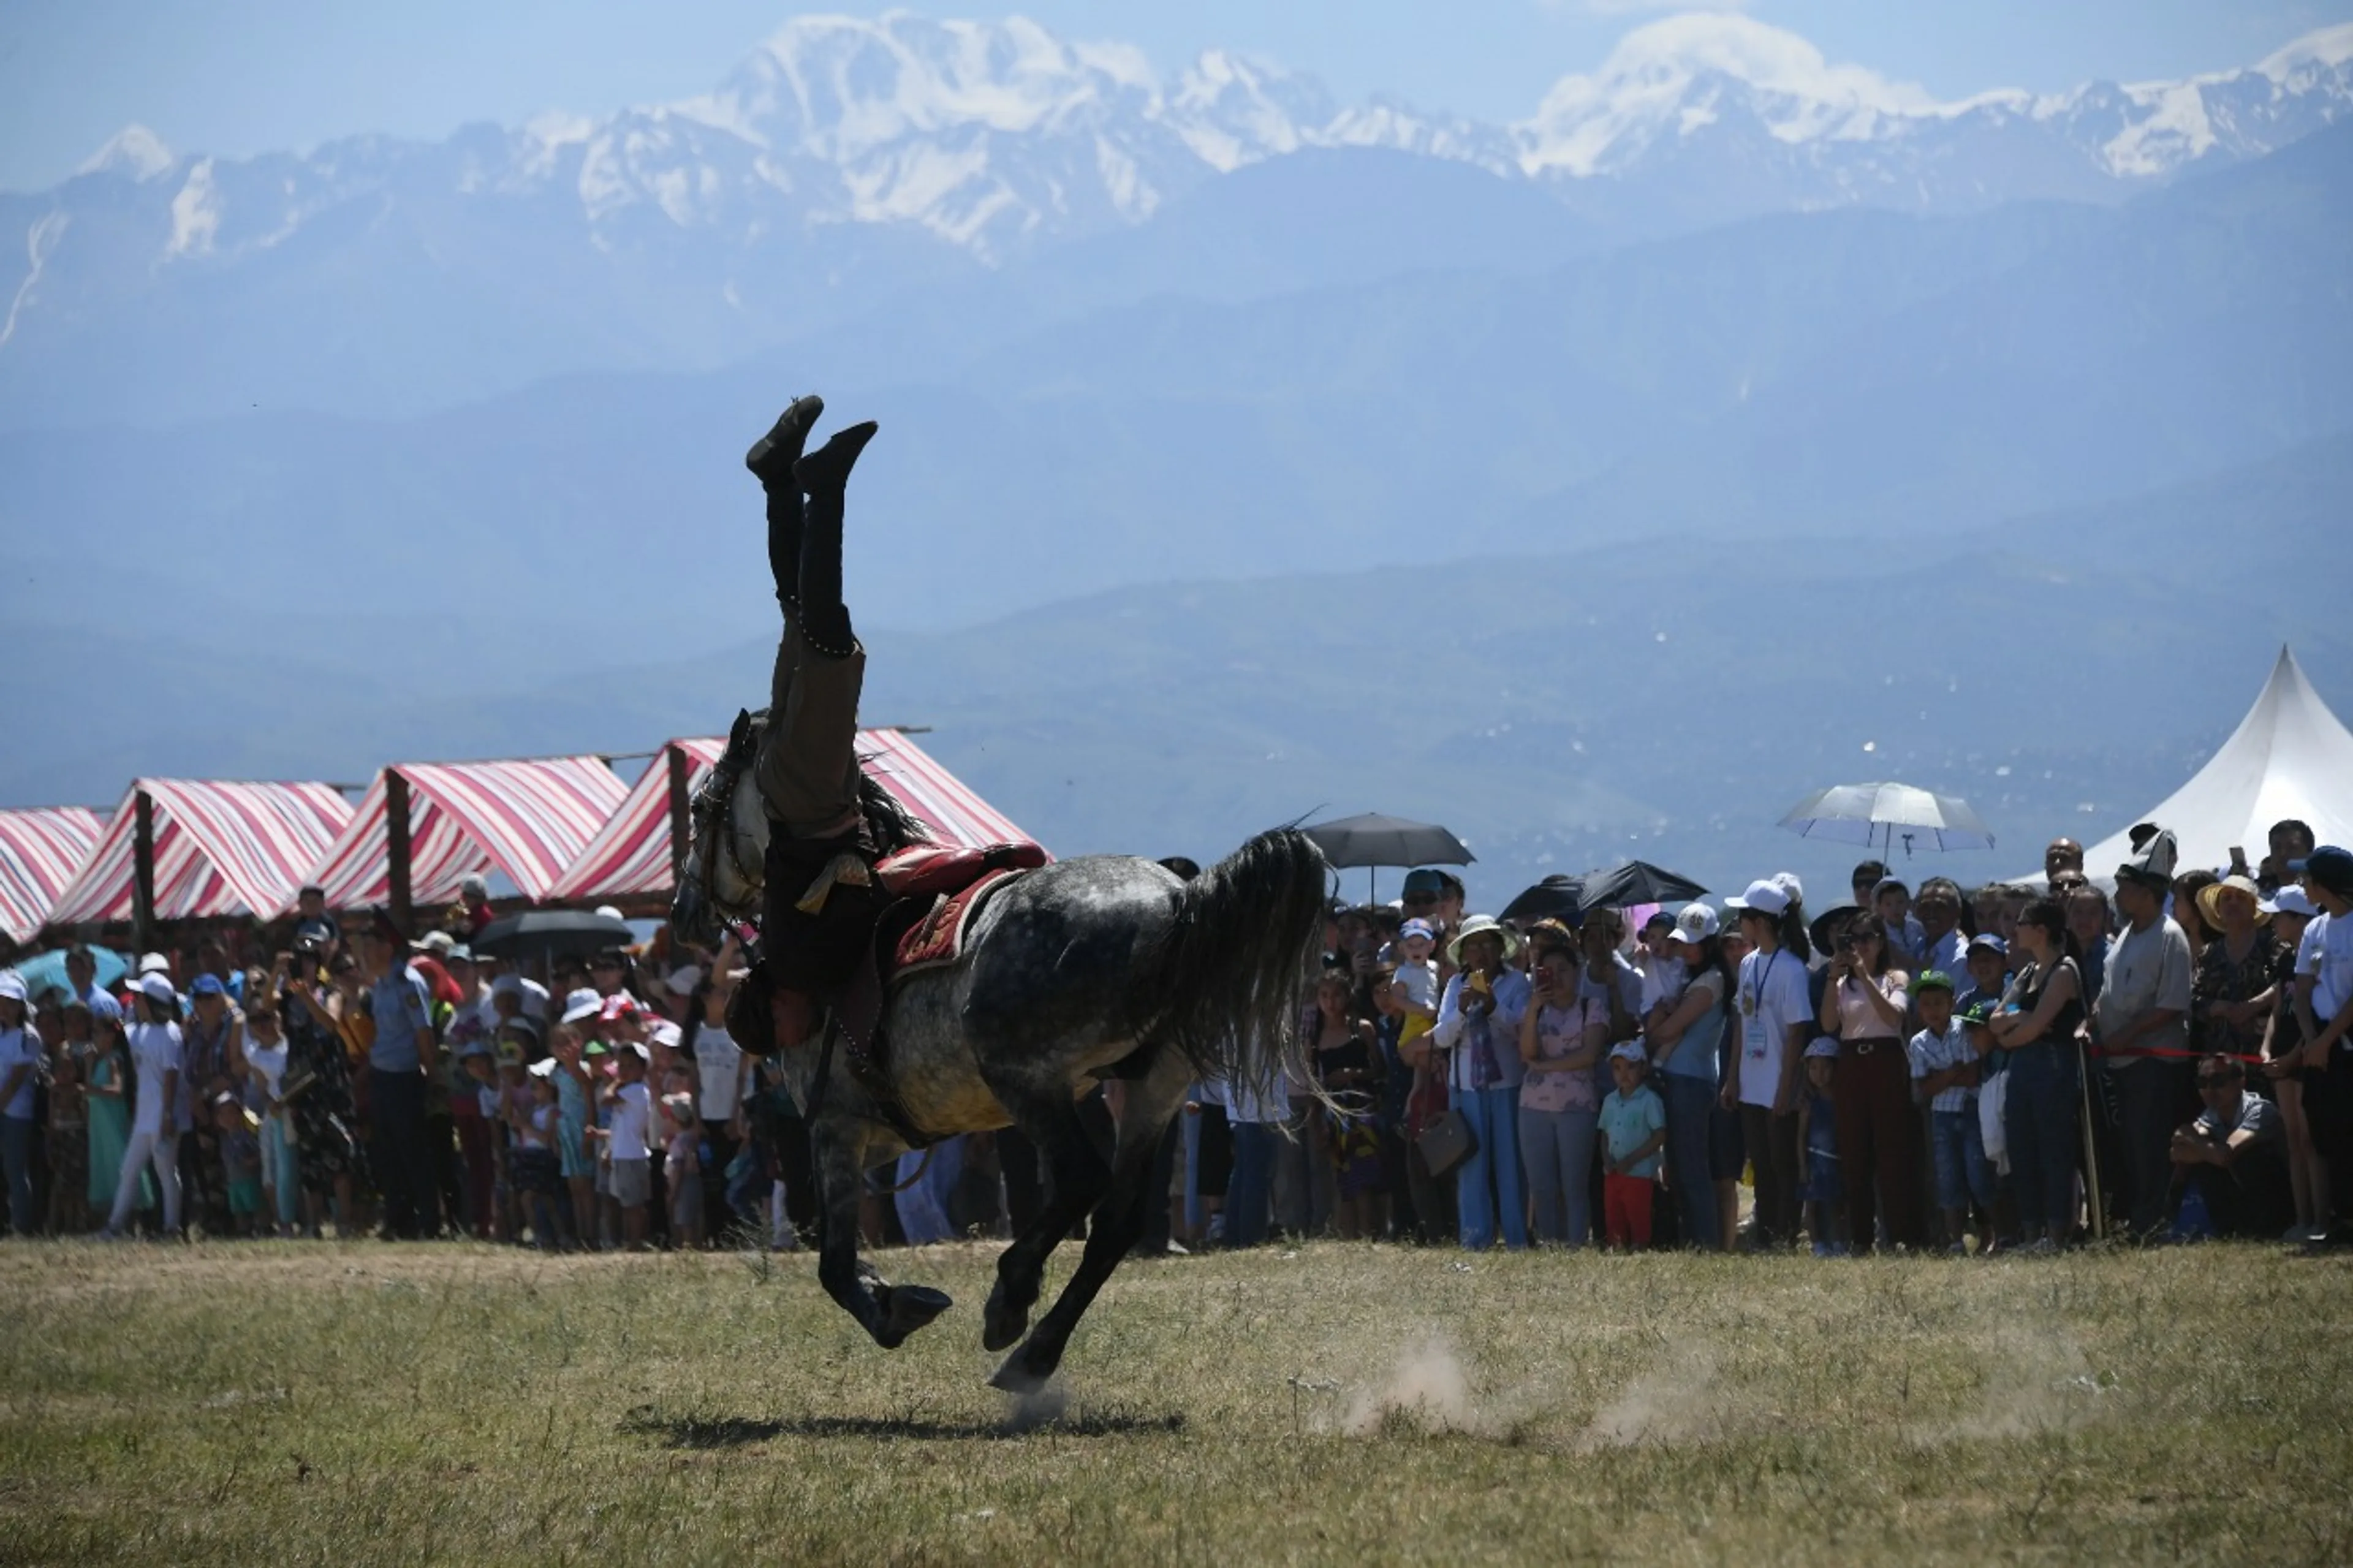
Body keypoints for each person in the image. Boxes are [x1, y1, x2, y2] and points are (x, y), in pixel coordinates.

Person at [739, 395, 893, 1056]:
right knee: (803, 617)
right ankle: (780, 479)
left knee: (829, 646)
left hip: (813, 800)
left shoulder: (806, 971)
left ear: (775, 1011)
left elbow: (866, 911)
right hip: (791, 792)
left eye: (782, 1039)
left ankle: (824, 491)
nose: (796, 1044)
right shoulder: (780, 951)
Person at [2097, 843, 2196, 1238]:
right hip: (2123, 1059)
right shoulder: (2126, 935)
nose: (2118, 897)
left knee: (2150, 1141)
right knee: (2131, 1143)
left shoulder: (2170, 936)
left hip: (2152, 1059)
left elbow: (2172, 1004)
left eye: (2124, 889)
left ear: (2146, 893)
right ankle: (2139, 1214)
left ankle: (2152, 1218)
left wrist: (2128, 1034)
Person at [1986, 900, 2086, 1250]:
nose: (2017, 930)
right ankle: (2031, 1232)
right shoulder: (2029, 973)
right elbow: (1997, 1019)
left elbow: (2038, 1025)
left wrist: (2013, 1031)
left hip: (2053, 1067)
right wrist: (2017, 1021)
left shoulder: (2063, 970)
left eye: (2023, 923)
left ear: (2041, 930)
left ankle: (2057, 1232)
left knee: (2053, 1150)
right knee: (2023, 1150)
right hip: (2024, 1069)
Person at [1817, 911, 1919, 1252]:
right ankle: (1860, 1237)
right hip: (1851, 1061)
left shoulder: (1895, 977)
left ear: (1880, 942)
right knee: (1854, 1151)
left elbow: (1894, 1017)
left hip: (1886, 1059)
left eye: (1867, 937)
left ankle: (1899, 1233)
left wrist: (1864, 973)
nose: (1860, 945)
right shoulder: (1842, 984)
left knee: (1892, 1149)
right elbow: (1830, 1023)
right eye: (1853, 939)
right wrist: (1834, 980)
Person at [1432, 915, 1531, 1251]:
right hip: (1466, 1087)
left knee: (1510, 1166)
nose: (1481, 952)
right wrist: (1460, 1011)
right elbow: (1443, 1038)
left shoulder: (1517, 983)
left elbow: (1522, 1029)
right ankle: (1475, 1240)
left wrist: (1493, 1006)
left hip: (1506, 1084)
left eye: (1488, 944)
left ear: (1500, 948)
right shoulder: (1453, 987)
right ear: (1464, 953)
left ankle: (1517, 1238)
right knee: (1471, 1165)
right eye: (1474, 945)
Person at [1723, 877, 1813, 1249]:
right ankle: (1766, 1232)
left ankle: (1785, 1234)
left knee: (1782, 1165)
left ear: (1760, 921)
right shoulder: (1748, 964)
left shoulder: (1791, 969)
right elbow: (1744, 1021)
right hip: (1751, 1082)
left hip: (1778, 1081)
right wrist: (1732, 1078)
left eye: (1744, 915)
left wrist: (1786, 1088)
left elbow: (1796, 1032)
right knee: (1760, 1163)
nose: (1739, 922)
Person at [1644, 903, 1734, 1250]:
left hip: (1692, 1081)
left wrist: (1651, 1035)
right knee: (1679, 1167)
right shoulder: (1695, 977)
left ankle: (1706, 1242)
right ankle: (1691, 1238)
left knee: (1693, 1166)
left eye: (1692, 943)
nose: (1686, 948)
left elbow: (1671, 1029)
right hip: (1679, 1077)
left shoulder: (1710, 982)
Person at [1515, 922, 1607, 1248]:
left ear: (1576, 971)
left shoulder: (1591, 1007)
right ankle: (1549, 1240)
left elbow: (1589, 1054)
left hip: (1577, 1107)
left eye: (1562, 969)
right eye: (1548, 970)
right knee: (1541, 1182)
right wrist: (1532, 1011)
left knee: (1574, 1182)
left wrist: (1546, 1066)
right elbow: (1527, 1052)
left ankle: (1577, 1241)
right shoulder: (1537, 1011)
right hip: (1534, 1107)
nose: (1556, 976)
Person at [358, 909, 442, 1240]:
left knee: (413, 1151)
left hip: (405, 1077)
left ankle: (429, 1221)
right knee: (387, 1151)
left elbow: (423, 1033)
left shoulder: (409, 984)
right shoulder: (380, 985)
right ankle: (398, 1219)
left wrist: (432, 1076)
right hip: (382, 1075)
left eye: (370, 946)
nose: (365, 953)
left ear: (387, 948)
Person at [2259, 888, 2328, 1241]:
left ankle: (2321, 1220)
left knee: (2310, 1137)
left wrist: (2293, 1055)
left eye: (2280, 915)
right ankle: (2302, 1219)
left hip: (2306, 1052)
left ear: (2300, 919)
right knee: (2293, 1138)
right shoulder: (2286, 959)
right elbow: (2277, 1008)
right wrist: (2267, 1046)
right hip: (2283, 1050)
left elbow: (2314, 1011)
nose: (2274, 922)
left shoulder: (2317, 953)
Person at [1909, 973, 1991, 1254]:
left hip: (1970, 1111)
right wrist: (1953, 1071)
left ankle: (1989, 1234)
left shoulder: (1964, 1031)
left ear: (1952, 1003)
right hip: (1941, 1116)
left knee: (1978, 1173)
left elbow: (1972, 1076)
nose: (1932, 1010)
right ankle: (1955, 1239)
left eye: (1938, 1003)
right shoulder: (1918, 1043)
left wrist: (1941, 1077)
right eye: (1926, 1005)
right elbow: (1924, 1089)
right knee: (1948, 1176)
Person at [2170, 1055, 2293, 1238]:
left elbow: (2226, 1154)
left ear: (2241, 1082)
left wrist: (2192, 1137)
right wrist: (2201, 1146)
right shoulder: (2211, 1114)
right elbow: (2177, 1153)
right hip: (2241, 1193)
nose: (2210, 1089)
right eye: (2202, 1082)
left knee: (2250, 1158)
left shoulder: (2260, 1111)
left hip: (2281, 1194)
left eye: (2218, 1081)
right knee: (2205, 1161)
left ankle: (2268, 1227)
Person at [101, 974, 184, 1239]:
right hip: (145, 1115)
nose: (135, 1002)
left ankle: (172, 1228)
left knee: (166, 1172)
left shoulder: (170, 1033)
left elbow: (171, 1076)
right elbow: (118, 1037)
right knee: (129, 1169)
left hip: (163, 1114)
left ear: (153, 1002)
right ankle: (114, 1226)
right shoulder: (142, 1030)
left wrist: (169, 1114)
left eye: (139, 998)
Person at [1308, 971, 1384, 1240]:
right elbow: (1313, 1085)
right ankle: (1347, 1237)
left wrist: (1353, 1073)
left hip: (1361, 1111)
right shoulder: (1316, 1036)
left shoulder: (1361, 1028)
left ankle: (1368, 1235)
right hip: (1333, 1113)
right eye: (1324, 996)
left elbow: (1379, 1069)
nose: (1331, 1003)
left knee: (1365, 1177)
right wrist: (1316, 1122)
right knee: (1342, 1179)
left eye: (1337, 995)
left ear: (1347, 996)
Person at [2192, 875, 2281, 1064]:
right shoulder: (2209, 953)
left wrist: (2255, 1005)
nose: (2233, 903)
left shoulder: (2272, 944)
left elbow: (2290, 983)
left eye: (2241, 898)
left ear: (2254, 906)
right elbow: (2193, 999)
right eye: (2226, 898)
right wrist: (2217, 1008)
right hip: (2218, 1060)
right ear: (2218, 909)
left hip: (2263, 1054)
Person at [1597, 1042, 1665, 1251]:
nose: (1623, 1074)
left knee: (1638, 1216)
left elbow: (1659, 1135)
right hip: (1614, 1173)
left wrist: (1633, 1159)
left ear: (1643, 1069)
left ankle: (1640, 1249)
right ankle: (1617, 1248)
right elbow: (1604, 1133)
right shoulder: (1610, 1101)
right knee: (1614, 1215)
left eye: (1631, 1067)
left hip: (1639, 1174)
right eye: (1617, 1068)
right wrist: (1607, 1160)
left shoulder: (1650, 1101)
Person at [601, 1040, 654, 1250]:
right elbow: (618, 1127)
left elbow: (605, 1099)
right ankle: (635, 1240)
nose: (624, 1070)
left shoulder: (635, 1090)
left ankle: (635, 1241)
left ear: (642, 1069)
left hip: (629, 1156)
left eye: (630, 1066)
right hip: (626, 1153)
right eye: (621, 1065)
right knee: (631, 1203)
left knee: (631, 1204)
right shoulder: (632, 1092)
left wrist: (615, 1082)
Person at [1795, 1037, 1845, 1255]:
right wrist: (1803, 1166)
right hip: (1815, 1161)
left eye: (1826, 1067)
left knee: (1835, 1204)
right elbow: (1801, 1137)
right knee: (1813, 1205)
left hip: (1835, 1161)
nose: (1819, 1073)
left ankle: (1837, 1241)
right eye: (1814, 1067)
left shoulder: (1842, 1102)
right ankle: (1817, 1244)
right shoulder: (1809, 1104)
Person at [0, 972, 40, 1234]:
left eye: (10, 1001)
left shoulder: (28, 1037)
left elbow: (15, 1082)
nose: (5, 1006)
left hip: (16, 1112)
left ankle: (22, 1225)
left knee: (15, 1168)